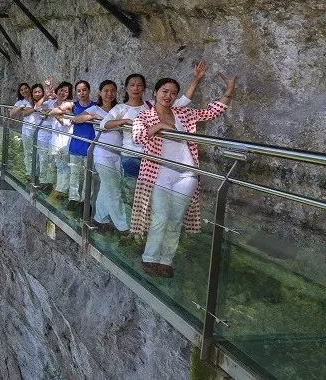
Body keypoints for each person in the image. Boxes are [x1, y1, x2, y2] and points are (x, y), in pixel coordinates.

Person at [131, 73, 236, 278]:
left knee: (175, 219)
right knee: (160, 217)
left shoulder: (183, 113)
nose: (168, 96)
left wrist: (229, 91)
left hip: (186, 173)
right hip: (158, 173)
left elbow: (211, 112)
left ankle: (166, 260)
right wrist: (159, 126)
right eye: (164, 91)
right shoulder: (144, 116)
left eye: (172, 93)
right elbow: (138, 137)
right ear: (155, 92)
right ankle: (150, 257)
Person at [101, 62, 207, 206]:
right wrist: (123, 121)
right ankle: (128, 227)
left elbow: (181, 102)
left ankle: (144, 226)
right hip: (131, 156)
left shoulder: (152, 105)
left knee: (150, 198)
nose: (136, 88)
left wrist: (195, 80)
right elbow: (104, 124)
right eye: (132, 85)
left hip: (153, 158)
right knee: (132, 194)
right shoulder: (120, 108)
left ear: (145, 89)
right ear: (126, 88)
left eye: (139, 85)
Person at [72, 80, 128, 232]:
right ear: (100, 93)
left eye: (112, 91)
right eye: (106, 91)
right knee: (114, 190)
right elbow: (76, 119)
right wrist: (90, 117)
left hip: (118, 154)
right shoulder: (95, 108)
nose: (109, 94)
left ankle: (99, 219)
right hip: (101, 154)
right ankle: (123, 227)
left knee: (106, 188)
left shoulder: (119, 109)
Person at [67, 80, 96, 210]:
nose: (82, 93)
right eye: (78, 90)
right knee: (75, 173)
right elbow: (59, 111)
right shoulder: (73, 106)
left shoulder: (97, 106)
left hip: (90, 146)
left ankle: (86, 202)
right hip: (76, 144)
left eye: (84, 90)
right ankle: (73, 198)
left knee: (88, 176)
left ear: (89, 90)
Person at [47, 82, 73, 201]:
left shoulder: (69, 105)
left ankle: (61, 191)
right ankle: (59, 189)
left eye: (66, 91)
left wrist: (55, 113)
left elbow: (66, 123)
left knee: (64, 167)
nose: (62, 93)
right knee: (58, 166)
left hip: (65, 140)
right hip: (54, 140)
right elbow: (41, 108)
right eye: (61, 90)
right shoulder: (52, 103)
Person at [10, 82, 35, 181]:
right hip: (27, 130)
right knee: (28, 152)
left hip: (40, 130)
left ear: (29, 88)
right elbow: (12, 114)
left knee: (39, 154)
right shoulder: (20, 102)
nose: (24, 91)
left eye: (26, 88)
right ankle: (30, 173)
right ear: (19, 92)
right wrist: (20, 108)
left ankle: (39, 175)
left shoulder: (36, 98)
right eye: (22, 90)